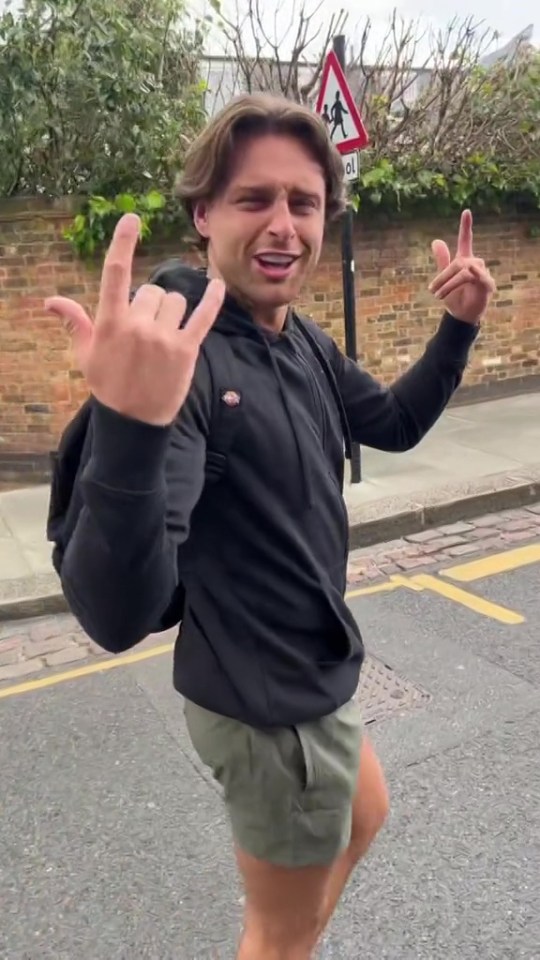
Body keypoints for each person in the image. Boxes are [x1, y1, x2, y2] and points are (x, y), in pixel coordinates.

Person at [45, 93, 496, 959]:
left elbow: (393, 424)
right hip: (266, 706)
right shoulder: (185, 356)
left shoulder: (301, 341)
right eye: (255, 199)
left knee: (365, 812)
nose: (283, 223)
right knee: (278, 938)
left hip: (314, 671)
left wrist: (459, 330)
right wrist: (134, 428)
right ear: (205, 213)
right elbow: (114, 615)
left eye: (304, 201)